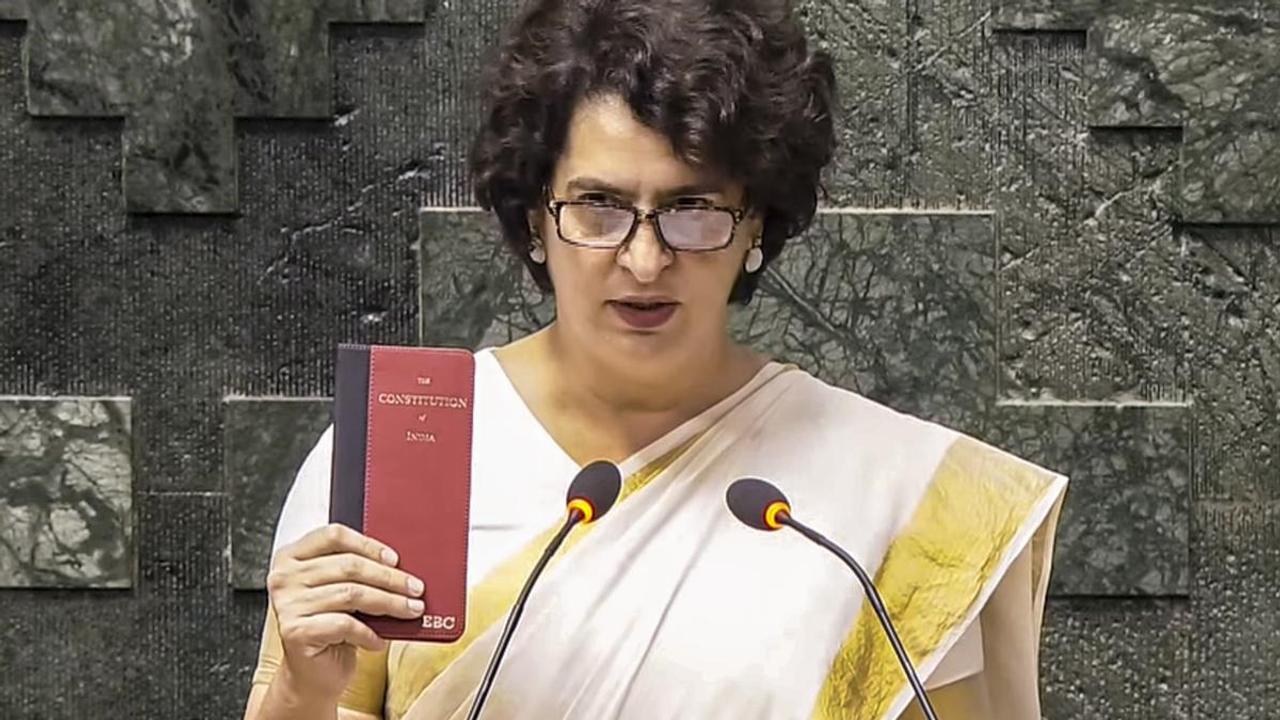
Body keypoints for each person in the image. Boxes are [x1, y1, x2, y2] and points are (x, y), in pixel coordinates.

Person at [243, 0, 1068, 718]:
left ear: (755, 226)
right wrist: (301, 695)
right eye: (599, 206)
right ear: (535, 215)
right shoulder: (407, 451)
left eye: (693, 209)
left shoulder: (899, 500)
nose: (644, 261)